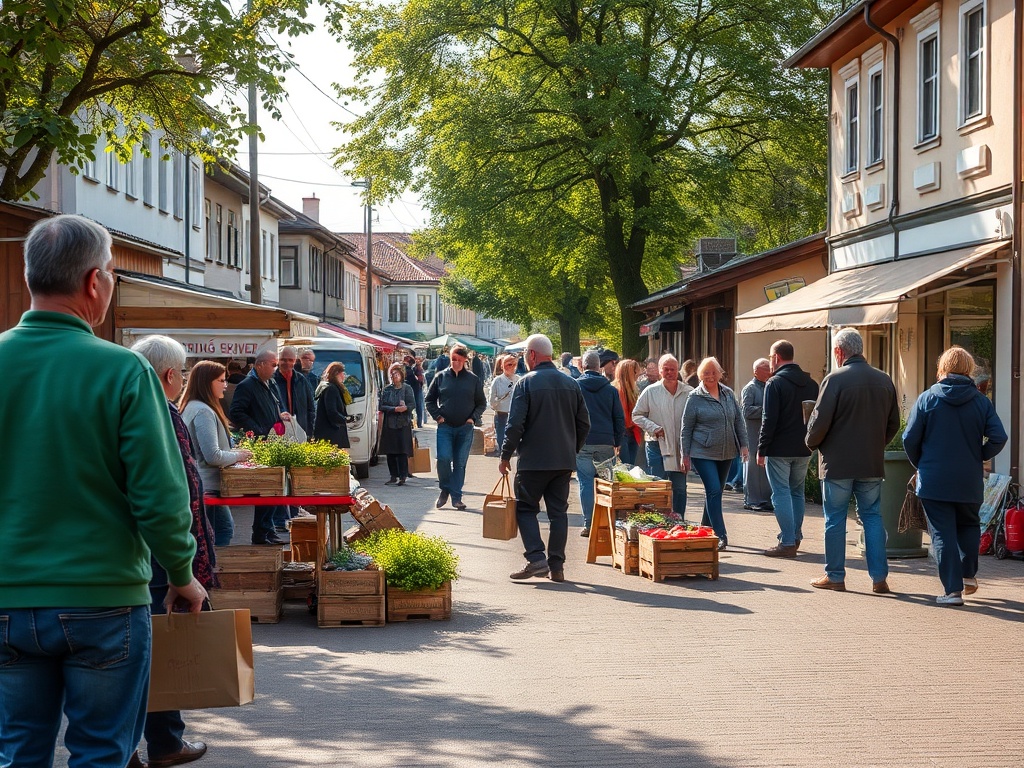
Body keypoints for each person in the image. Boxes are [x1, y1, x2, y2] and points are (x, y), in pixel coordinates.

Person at [0, 214, 205, 768]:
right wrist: (181, 573)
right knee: (101, 754)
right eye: (112, 272)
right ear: (95, 282)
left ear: (29, 276)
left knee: (17, 752)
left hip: (6, 595)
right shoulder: (124, 372)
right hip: (104, 598)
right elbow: (160, 496)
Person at [130, 336, 217, 768]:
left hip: (138, 555)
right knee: (151, 656)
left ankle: (150, 744)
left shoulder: (126, 409)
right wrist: (184, 570)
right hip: (155, 559)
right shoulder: (161, 414)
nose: (182, 379)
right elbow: (174, 495)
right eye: (180, 372)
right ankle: (158, 745)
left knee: (143, 656)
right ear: (169, 374)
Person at [903, 346, 1007, 605]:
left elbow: (909, 438)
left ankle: (952, 591)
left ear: (943, 368)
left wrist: (922, 463)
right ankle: (968, 575)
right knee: (969, 525)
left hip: (934, 479)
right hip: (968, 478)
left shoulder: (927, 399)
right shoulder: (981, 401)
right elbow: (999, 437)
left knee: (942, 533)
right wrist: (978, 455)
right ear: (968, 369)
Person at [806, 328, 900, 594]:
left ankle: (835, 576)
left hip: (838, 463)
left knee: (835, 519)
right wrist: (876, 445)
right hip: (870, 462)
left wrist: (811, 443)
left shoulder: (834, 380)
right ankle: (879, 577)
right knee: (872, 516)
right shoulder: (884, 379)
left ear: (839, 352)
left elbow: (819, 421)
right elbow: (893, 422)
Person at [500, 334, 590, 582]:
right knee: (558, 513)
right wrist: (571, 449)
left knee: (526, 509)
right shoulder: (571, 383)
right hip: (562, 461)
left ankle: (536, 558)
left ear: (532, 354)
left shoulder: (525, 384)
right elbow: (584, 423)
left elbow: (514, 425)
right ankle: (557, 566)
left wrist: (505, 455)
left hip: (533, 460)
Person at [180, 360, 254, 547]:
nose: (225, 385)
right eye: (221, 380)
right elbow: (213, 456)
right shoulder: (203, 411)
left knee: (218, 531)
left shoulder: (192, 406)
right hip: (207, 486)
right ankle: (213, 566)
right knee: (221, 531)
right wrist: (239, 455)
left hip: (201, 484)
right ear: (206, 383)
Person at [757, 340, 819, 557]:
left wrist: (762, 448)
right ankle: (795, 536)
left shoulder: (774, 383)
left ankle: (787, 541)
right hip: (804, 447)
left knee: (781, 493)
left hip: (779, 448)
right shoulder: (812, 384)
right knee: (797, 492)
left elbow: (768, 419)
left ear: (776, 357)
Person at [680, 357, 747, 550]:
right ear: (700, 375)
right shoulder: (695, 397)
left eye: (714, 372)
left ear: (719, 374)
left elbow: (738, 421)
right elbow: (686, 428)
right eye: (706, 373)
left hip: (727, 452)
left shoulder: (728, 393)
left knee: (715, 493)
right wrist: (685, 454)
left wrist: (744, 445)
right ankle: (720, 535)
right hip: (703, 452)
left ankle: (704, 530)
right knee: (714, 490)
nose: (710, 376)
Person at [229, 348, 292, 545]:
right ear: (260, 365)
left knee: (274, 489)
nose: (276, 368)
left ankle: (267, 529)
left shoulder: (269, 383)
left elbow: (275, 406)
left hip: (273, 440)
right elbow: (236, 412)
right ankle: (261, 532)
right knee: (267, 488)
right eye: (273, 365)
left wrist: (280, 415)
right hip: (261, 443)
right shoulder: (247, 385)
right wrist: (258, 430)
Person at [426, 343, 487, 510]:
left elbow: (481, 403)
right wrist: (437, 416)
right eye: (453, 359)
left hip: (465, 427)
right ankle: (445, 489)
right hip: (445, 426)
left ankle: (456, 497)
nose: (456, 363)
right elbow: (429, 400)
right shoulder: (441, 377)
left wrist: (473, 418)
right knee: (443, 459)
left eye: (459, 360)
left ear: (465, 360)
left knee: (460, 463)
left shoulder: (473, 379)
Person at [633, 354, 692, 519]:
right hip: (656, 444)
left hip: (680, 447)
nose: (669, 373)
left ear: (678, 370)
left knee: (679, 487)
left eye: (673, 369)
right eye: (666, 369)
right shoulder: (650, 391)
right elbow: (636, 415)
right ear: (660, 371)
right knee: (658, 486)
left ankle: (679, 520)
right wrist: (654, 428)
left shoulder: (688, 392)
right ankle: (659, 521)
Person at [576, 350, 625, 536]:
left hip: (583, 441)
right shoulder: (611, 390)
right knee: (606, 483)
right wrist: (617, 441)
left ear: (583, 366)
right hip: (606, 441)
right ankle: (607, 524)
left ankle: (589, 524)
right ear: (599, 366)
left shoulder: (575, 387)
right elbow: (618, 417)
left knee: (586, 482)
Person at [739, 358, 773, 511]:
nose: (769, 371)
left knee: (764, 468)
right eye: (765, 368)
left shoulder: (770, 387)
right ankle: (751, 500)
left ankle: (765, 499)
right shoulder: (750, 388)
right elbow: (746, 411)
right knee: (752, 467)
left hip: (764, 434)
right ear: (756, 371)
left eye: (769, 368)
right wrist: (766, 410)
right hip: (751, 434)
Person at [379, 363, 416, 485]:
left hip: (403, 423)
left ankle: (403, 476)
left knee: (402, 450)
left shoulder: (407, 388)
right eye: (392, 374)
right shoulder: (387, 389)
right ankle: (393, 476)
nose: (394, 376)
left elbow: (412, 404)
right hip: (390, 423)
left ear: (401, 375)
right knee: (391, 451)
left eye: (397, 374)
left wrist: (405, 408)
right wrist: (394, 409)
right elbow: (382, 406)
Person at [274, 344, 315, 438]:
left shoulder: (301, 380)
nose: (287, 363)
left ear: (295, 361)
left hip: (300, 431)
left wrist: (309, 432)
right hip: (278, 433)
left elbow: (311, 408)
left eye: (290, 360)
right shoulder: (271, 380)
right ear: (278, 360)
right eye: (283, 359)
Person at [313, 362, 352, 450]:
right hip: (331, 434)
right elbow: (331, 412)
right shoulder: (331, 389)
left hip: (325, 433)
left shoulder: (324, 386)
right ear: (337, 374)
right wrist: (345, 419)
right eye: (343, 373)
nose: (344, 376)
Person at [613, 358, 642, 465]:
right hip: (621, 434)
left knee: (630, 466)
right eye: (636, 373)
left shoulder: (634, 390)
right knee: (626, 467)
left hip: (632, 432)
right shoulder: (615, 391)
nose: (638, 376)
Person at [489, 354, 519, 455]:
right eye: (509, 364)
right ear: (502, 366)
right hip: (501, 412)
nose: (512, 367)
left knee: (515, 433)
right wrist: (496, 403)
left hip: (515, 413)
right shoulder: (497, 381)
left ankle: (513, 450)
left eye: (514, 364)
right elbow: (491, 399)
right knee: (501, 434)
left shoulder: (519, 380)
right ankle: (503, 452)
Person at [403, 354, 424, 428]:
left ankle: (415, 422)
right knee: (418, 405)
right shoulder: (415, 369)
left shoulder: (412, 369)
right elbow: (420, 380)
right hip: (416, 389)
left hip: (414, 389)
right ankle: (418, 423)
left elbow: (419, 379)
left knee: (413, 405)